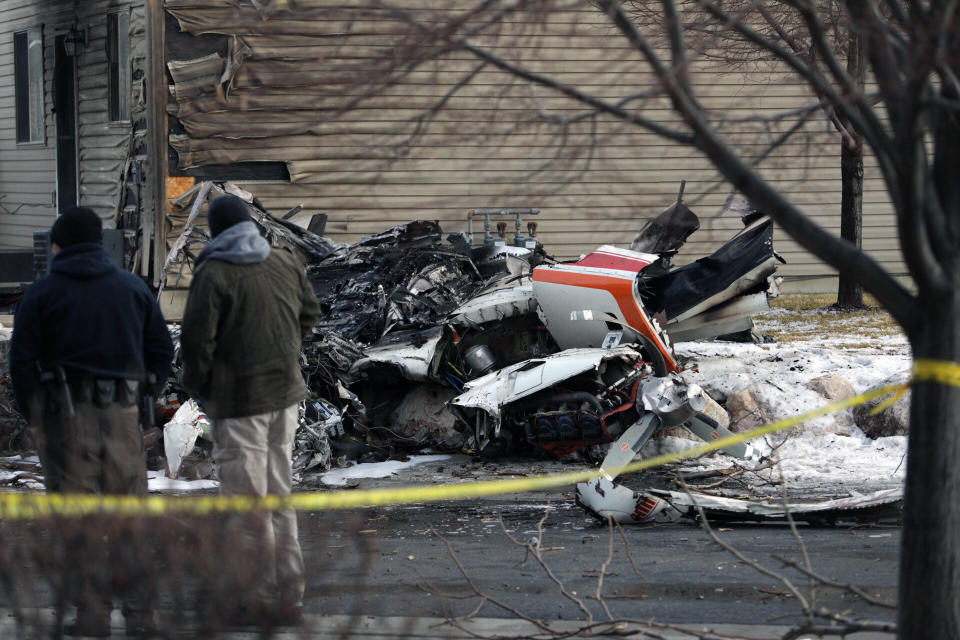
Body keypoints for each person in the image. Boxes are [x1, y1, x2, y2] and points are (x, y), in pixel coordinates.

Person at [9, 206, 174, 637]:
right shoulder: (132, 288)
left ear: (59, 245)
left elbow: (21, 363)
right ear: (99, 243)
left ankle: (92, 617)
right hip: (121, 418)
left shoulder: (42, 293)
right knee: (128, 519)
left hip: (65, 420)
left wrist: (36, 417)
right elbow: (162, 350)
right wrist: (144, 394)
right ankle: (140, 616)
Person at [179, 194, 321, 626]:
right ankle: (289, 597)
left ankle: (254, 598)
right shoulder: (284, 261)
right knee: (279, 498)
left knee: (246, 506)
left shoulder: (214, 272)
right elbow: (310, 315)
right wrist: (284, 352)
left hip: (239, 404)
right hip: (285, 399)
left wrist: (201, 389)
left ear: (218, 230)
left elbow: (196, 343)